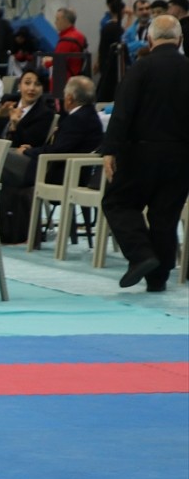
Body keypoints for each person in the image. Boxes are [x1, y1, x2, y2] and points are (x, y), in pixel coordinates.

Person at [101, 15, 189, 292]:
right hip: (181, 156)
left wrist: (110, 150)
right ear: (180, 40)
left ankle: (141, 255)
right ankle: (158, 278)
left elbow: (122, 112)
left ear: (149, 40)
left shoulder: (141, 69)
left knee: (118, 203)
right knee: (165, 216)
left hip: (141, 152)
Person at [1, 75, 102, 189]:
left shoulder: (77, 119)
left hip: (56, 172)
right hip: (68, 168)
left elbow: (57, 150)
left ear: (69, 98)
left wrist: (27, 152)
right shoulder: (90, 115)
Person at [0, 70, 55, 148]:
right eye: (27, 83)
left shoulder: (45, 113)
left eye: (37, 84)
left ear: (42, 90)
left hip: (16, 153)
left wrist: (16, 126)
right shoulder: (8, 100)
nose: (32, 88)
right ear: (19, 86)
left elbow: (31, 143)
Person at [97, 0, 126, 102]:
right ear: (121, 12)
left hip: (105, 63)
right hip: (112, 68)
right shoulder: (116, 28)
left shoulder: (106, 26)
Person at [49, 7, 87, 88]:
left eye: (57, 19)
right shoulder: (79, 36)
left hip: (63, 84)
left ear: (65, 20)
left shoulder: (66, 40)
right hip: (75, 80)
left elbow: (58, 61)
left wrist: (46, 62)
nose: (55, 22)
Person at [121, 0, 152, 65]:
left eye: (147, 8)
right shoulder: (129, 31)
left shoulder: (157, 27)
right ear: (135, 12)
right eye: (141, 9)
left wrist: (135, 45)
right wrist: (141, 44)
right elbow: (124, 48)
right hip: (134, 67)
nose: (145, 12)